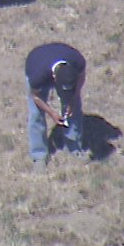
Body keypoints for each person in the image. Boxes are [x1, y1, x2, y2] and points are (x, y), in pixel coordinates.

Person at [24, 42, 86, 170]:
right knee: (36, 114)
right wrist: (51, 113)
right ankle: (39, 155)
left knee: (74, 110)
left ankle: (74, 147)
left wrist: (73, 99)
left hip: (60, 61)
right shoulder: (37, 75)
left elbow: (81, 78)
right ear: (54, 78)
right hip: (37, 61)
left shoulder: (77, 61)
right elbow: (35, 96)